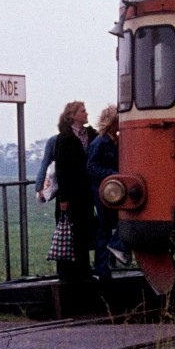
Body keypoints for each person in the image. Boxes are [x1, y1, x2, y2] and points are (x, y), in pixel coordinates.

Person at [52, 101, 97, 285]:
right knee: (68, 231)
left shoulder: (91, 134)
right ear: (73, 116)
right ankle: (66, 274)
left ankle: (84, 271)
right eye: (83, 111)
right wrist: (64, 198)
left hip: (85, 192)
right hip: (71, 193)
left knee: (83, 231)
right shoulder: (64, 138)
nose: (86, 113)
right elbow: (61, 169)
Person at [86, 104, 130, 278]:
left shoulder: (115, 141)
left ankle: (104, 266)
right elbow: (91, 167)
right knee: (105, 228)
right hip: (103, 191)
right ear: (112, 121)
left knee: (112, 224)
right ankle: (103, 267)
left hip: (113, 190)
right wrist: (114, 175)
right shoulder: (100, 142)